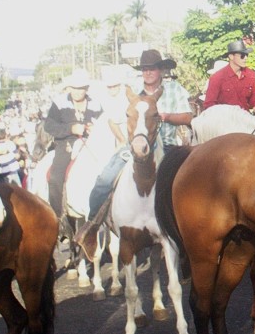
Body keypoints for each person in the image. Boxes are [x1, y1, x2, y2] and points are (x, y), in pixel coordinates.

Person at [75, 50, 191, 260]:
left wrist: (165, 116)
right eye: (144, 69)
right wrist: (123, 139)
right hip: (136, 147)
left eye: (152, 68)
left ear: (161, 70)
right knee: (104, 179)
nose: (147, 72)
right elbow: (114, 120)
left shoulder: (174, 89)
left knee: (192, 184)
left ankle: (192, 235)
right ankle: (92, 226)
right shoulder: (134, 94)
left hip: (169, 145)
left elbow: (188, 116)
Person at [43, 68, 102, 231]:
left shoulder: (96, 105)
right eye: (74, 88)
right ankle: (59, 218)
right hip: (66, 145)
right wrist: (71, 128)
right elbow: (49, 125)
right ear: (69, 88)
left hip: (91, 145)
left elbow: (104, 125)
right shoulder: (60, 103)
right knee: (55, 177)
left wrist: (93, 129)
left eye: (81, 88)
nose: (77, 91)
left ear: (86, 88)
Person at [203, 40, 255, 113]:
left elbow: (254, 98)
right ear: (231, 56)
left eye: (247, 55)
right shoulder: (217, 78)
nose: (245, 58)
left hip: (245, 119)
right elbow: (209, 105)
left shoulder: (250, 74)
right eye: (242, 55)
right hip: (226, 120)